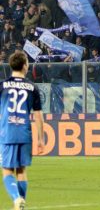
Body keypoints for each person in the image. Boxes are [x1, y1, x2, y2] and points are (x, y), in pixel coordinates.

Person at [1, 51, 44, 210]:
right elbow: (38, 116)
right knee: (21, 170)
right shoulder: (32, 87)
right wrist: (41, 139)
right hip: (25, 133)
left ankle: (16, 198)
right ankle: (21, 205)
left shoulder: (2, 86)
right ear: (25, 66)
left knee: (7, 171)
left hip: (7, 133)